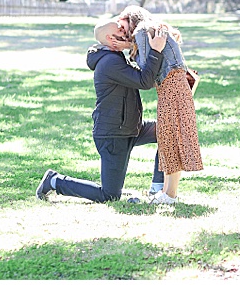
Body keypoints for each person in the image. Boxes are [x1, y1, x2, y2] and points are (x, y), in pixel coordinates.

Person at [36, 18, 168, 203]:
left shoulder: (117, 57)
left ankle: (157, 188)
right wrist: (155, 51)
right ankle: (55, 181)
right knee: (110, 195)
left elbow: (144, 74)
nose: (126, 33)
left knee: (168, 131)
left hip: (131, 128)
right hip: (113, 135)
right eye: (121, 32)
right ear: (109, 38)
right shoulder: (109, 63)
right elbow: (144, 81)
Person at [118, 6, 203, 204]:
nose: (122, 32)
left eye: (122, 26)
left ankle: (170, 195)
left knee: (171, 138)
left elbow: (148, 67)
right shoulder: (152, 28)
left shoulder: (141, 31)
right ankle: (167, 192)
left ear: (130, 19)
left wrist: (127, 48)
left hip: (170, 86)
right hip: (175, 86)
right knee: (169, 137)